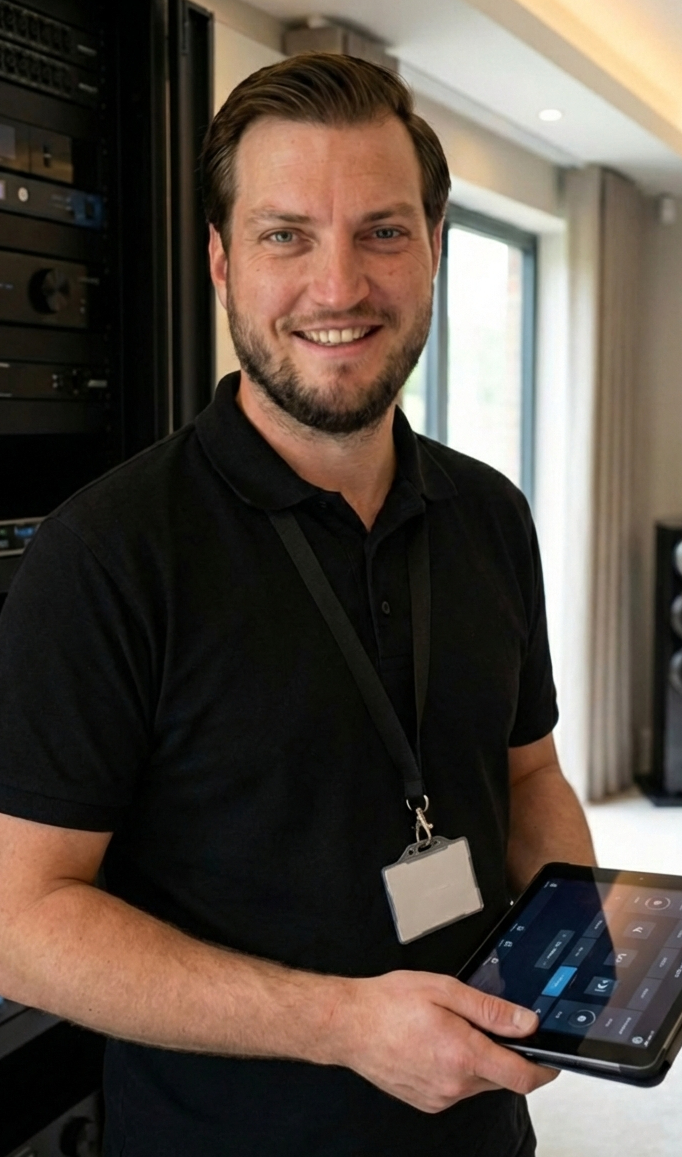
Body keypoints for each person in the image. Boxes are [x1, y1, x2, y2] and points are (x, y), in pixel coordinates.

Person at [0, 53, 596, 1156]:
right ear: (221, 261)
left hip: (479, 1131)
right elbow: (20, 922)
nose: (337, 287)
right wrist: (342, 1024)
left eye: (382, 231)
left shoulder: (491, 515)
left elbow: (527, 776)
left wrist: (580, 932)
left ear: (433, 248)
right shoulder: (105, 554)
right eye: (286, 235)